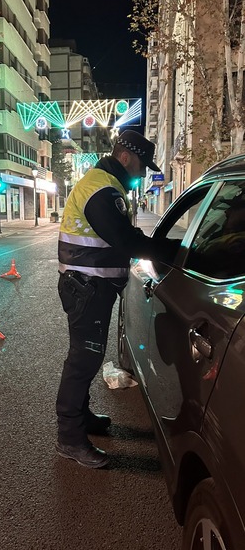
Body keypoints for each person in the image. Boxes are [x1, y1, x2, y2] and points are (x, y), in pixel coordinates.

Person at [56, 129, 182, 469]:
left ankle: (81, 418)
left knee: (88, 358)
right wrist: (176, 250)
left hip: (88, 286)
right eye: (142, 166)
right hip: (87, 287)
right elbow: (126, 240)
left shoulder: (102, 183)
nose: (141, 173)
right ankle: (69, 438)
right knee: (83, 361)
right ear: (126, 156)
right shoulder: (102, 190)